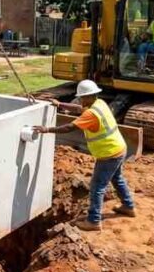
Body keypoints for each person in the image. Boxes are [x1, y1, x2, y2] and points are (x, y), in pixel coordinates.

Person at [33, 79, 135, 231]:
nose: (80, 100)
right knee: (117, 178)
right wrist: (60, 104)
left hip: (108, 154)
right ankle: (128, 206)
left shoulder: (91, 114)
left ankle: (94, 221)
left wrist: (47, 130)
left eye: (81, 97)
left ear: (88, 97)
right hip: (119, 149)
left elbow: (69, 127)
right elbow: (78, 109)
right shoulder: (99, 104)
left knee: (97, 187)